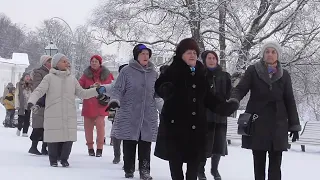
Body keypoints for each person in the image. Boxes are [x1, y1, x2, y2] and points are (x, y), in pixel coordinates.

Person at [154, 38, 238, 180]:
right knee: (176, 168)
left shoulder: (201, 73)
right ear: (181, 54)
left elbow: (209, 98)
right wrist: (166, 89)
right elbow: (159, 87)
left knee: (193, 169)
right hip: (175, 128)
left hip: (196, 129)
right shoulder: (171, 70)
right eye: (188, 52)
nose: (192, 55)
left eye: (194, 52)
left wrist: (224, 107)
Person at [230, 41, 301, 180]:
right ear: (263, 54)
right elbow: (241, 89)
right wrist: (234, 100)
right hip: (258, 122)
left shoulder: (284, 74)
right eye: (267, 51)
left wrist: (294, 125)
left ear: (278, 55)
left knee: (276, 165)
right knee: (259, 163)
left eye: (273, 52)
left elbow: (290, 100)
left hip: (278, 123)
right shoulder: (253, 70)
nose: (270, 54)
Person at [27, 53, 107, 167]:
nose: (67, 63)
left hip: (69, 114)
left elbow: (82, 93)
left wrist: (96, 90)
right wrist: (31, 102)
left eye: (67, 61)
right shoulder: (49, 78)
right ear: (56, 63)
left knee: (68, 138)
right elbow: (38, 91)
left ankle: (64, 159)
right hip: (53, 113)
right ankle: (53, 160)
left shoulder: (72, 79)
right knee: (53, 137)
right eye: (64, 61)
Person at [106, 44, 159, 180]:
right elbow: (117, 89)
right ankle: (129, 169)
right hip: (130, 113)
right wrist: (115, 101)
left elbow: (157, 95)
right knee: (129, 142)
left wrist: (164, 110)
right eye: (143, 54)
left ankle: (144, 171)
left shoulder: (154, 73)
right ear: (137, 56)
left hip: (148, 114)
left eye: (147, 54)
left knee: (145, 144)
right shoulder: (126, 71)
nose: (145, 56)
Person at [197, 50, 232, 180]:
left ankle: (214, 169)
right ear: (205, 60)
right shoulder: (201, 75)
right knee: (204, 143)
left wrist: (227, 104)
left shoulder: (225, 76)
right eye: (209, 58)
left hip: (220, 115)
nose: (212, 60)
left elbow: (230, 93)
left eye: (214, 58)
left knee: (219, 142)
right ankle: (200, 170)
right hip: (205, 115)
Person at [79, 55, 114, 157]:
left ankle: (100, 148)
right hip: (88, 103)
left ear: (100, 63)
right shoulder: (85, 75)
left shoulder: (107, 74)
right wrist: (89, 87)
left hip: (101, 104)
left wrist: (101, 87)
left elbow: (111, 87)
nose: (93, 63)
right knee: (88, 128)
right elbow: (79, 86)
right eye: (92, 61)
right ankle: (90, 147)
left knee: (100, 126)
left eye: (96, 61)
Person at [28, 55, 52, 155]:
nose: (51, 64)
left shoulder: (52, 73)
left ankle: (44, 148)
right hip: (40, 102)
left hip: (49, 102)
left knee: (48, 127)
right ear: (44, 63)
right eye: (49, 62)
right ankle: (33, 147)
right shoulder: (39, 72)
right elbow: (37, 86)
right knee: (38, 126)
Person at [109, 63, 128, 164]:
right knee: (116, 133)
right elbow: (109, 91)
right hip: (114, 110)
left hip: (127, 112)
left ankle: (127, 157)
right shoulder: (116, 83)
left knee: (127, 136)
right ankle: (117, 155)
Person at [15, 72, 32, 137]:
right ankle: (19, 129)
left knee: (27, 119)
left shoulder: (31, 85)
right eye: (26, 76)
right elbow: (17, 94)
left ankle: (25, 131)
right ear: (24, 77)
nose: (28, 78)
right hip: (21, 103)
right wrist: (17, 105)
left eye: (29, 76)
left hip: (28, 104)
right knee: (21, 118)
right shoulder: (19, 84)